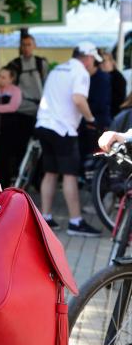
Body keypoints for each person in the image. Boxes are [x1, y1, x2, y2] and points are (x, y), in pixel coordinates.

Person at [34, 41, 101, 236]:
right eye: (93, 59)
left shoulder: (57, 69)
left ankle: (46, 217)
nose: (92, 64)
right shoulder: (80, 72)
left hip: (44, 124)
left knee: (50, 172)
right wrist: (91, 120)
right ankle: (75, 221)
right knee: (69, 174)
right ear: (88, 57)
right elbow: (78, 99)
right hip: (63, 129)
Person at [7, 34, 49, 171]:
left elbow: (46, 83)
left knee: (41, 146)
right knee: (21, 145)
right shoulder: (14, 64)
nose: (26, 48)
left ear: (34, 46)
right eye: (23, 45)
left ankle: (37, 176)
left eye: (29, 44)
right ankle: (19, 174)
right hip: (22, 111)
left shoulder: (41, 63)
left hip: (40, 111)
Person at [100, 50, 127, 117]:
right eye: (100, 62)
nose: (101, 64)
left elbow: (118, 101)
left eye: (104, 61)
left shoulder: (118, 78)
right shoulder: (100, 76)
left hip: (112, 115)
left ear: (111, 62)